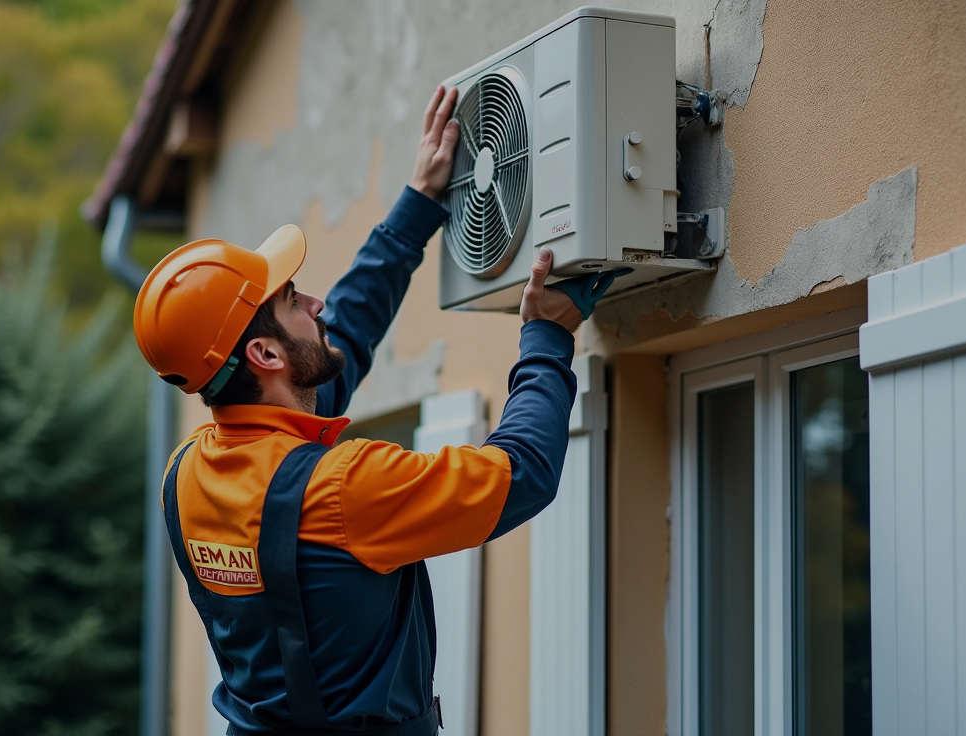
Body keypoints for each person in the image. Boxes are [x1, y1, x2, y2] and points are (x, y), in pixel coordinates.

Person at [131, 84, 623, 735]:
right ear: (265, 355)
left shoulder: (186, 477)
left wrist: (419, 206)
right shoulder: (344, 489)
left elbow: (344, 338)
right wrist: (547, 336)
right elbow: (520, 473)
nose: (316, 305)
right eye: (292, 301)